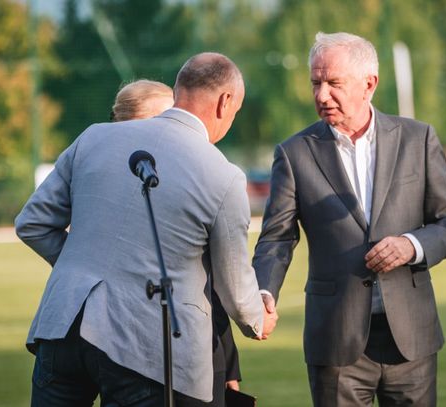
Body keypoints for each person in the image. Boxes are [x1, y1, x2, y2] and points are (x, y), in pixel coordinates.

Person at [15, 52, 277, 406]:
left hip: (62, 328)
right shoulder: (223, 175)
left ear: (178, 90)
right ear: (225, 102)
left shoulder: (93, 138)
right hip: (145, 346)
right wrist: (258, 320)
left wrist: (86, 268)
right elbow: (235, 287)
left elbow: (33, 223)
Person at [252, 32, 446, 406]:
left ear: (369, 84)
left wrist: (411, 245)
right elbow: (277, 237)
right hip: (335, 339)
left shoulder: (418, 139)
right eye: (315, 83)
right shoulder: (293, 153)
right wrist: (263, 292)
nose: (322, 95)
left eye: (334, 83)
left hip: (411, 337)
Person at [110, 78, 244, 407]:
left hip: (200, 346)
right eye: (160, 120)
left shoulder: (193, 178)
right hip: (128, 348)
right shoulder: (107, 191)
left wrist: (229, 363)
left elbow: (212, 281)